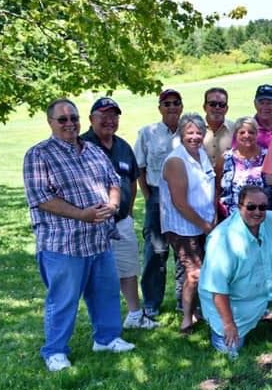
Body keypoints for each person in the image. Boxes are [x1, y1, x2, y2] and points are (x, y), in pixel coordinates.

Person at [24, 98, 135, 371]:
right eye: (62, 119)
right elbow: (42, 198)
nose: (69, 124)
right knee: (63, 299)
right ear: (50, 122)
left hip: (99, 240)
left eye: (73, 118)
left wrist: (112, 203)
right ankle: (55, 351)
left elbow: (113, 181)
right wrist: (81, 214)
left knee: (106, 293)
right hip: (64, 243)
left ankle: (107, 339)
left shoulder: (93, 151)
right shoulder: (39, 155)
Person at [198, 187, 272, 357]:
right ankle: (226, 327)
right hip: (235, 302)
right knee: (230, 351)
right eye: (251, 207)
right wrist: (228, 324)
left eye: (262, 207)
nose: (257, 212)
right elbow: (218, 289)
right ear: (239, 206)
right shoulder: (222, 240)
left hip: (271, 282)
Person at [81, 97, 156, 330]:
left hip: (121, 220)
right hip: (92, 223)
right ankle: (103, 324)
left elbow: (132, 180)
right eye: (103, 116)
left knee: (128, 267)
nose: (109, 121)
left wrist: (129, 210)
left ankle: (134, 314)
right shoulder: (80, 145)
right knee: (98, 275)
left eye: (114, 115)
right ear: (91, 119)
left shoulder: (123, 146)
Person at [160, 113, 216, 333]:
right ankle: (187, 318)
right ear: (181, 134)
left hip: (203, 222)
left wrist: (211, 220)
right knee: (195, 272)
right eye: (190, 132)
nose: (195, 136)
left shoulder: (201, 154)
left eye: (199, 132)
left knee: (200, 271)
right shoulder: (176, 161)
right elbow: (180, 203)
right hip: (182, 226)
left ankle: (198, 311)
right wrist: (204, 225)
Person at [134, 88, 183, 317]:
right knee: (156, 250)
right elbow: (140, 168)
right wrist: (148, 195)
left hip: (184, 196)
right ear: (160, 108)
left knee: (187, 249)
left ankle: (186, 301)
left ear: (181, 106)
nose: (172, 107)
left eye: (176, 103)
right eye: (167, 104)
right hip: (157, 194)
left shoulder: (189, 131)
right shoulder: (147, 133)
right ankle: (152, 302)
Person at [219, 117, 272, 217]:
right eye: (242, 132)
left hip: (260, 215)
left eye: (251, 132)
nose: (246, 136)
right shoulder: (226, 158)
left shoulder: (267, 156)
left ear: (257, 134)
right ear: (236, 135)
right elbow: (217, 188)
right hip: (232, 216)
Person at [202, 87, 233, 169]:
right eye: (212, 104)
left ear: (226, 109)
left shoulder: (235, 130)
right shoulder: (194, 130)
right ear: (204, 107)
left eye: (222, 105)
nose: (217, 108)